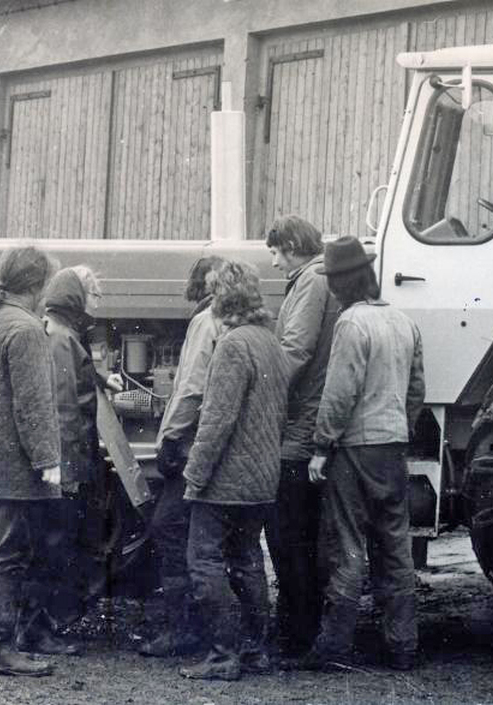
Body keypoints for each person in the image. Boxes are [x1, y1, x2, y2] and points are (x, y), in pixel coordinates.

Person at [303, 236, 425, 672]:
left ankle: (334, 649)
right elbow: (416, 390)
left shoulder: (351, 325)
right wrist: (400, 428)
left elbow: (339, 392)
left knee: (347, 548)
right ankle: (403, 647)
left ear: (341, 283)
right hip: (392, 448)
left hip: (354, 449)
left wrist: (321, 447)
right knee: (395, 549)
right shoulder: (403, 322)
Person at [179, 260, 289, 681]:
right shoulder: (269, 341)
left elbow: (217, 419)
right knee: (247, 561)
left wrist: (195, 475)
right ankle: (255, 651)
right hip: (262, 477)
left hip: (225, 480)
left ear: (220, 299)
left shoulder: (232, 345)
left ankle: (224, 655)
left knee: (202, 560)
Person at [0, 245, 62, 677]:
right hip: (11, 465)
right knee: (8, 554)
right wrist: (48, 460)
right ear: (37, 286)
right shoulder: (25, 330)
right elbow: (33, 405)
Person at [19, 265, 122, 650]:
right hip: (67, 464)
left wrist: (96, 378)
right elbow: (63, 407)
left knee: (49, 545)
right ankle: (38, 633)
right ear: (76, 300)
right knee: (54, 547)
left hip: (63, 463)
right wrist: (67, 470)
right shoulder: (64, 338)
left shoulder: (58, 333)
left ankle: (37, 627)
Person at [138, 256, 224, 657]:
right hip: (215, 448)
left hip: (190, 446)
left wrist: (170, 437)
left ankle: (184, 629)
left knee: (168, 527)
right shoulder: (229, 322)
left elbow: (190, 388)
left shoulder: (204, 322)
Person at [264, 215, 338, 655]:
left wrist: (262, 390)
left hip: (299, 427)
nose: (273, 262)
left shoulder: (310, 282)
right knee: (300, 535)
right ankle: (299, 628)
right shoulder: (320, 278)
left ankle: (295, 634)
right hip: (308, 419)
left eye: (275, 251)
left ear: (291, 245)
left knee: (288, 534)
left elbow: (295, 349)